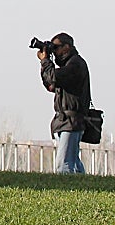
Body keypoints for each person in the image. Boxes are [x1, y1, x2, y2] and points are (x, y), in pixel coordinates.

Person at [38, 32, 91, 174]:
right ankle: (85, 188)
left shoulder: (75, 64)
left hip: (71, 121)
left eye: (56, 48)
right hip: (65, 121)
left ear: (66, 47)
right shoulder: (70, 65)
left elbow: (53, 77)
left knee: (63, 165)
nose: (54, 52)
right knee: (74, 161)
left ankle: (67, 190)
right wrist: (45, 63)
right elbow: (50, 84)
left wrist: (45, 61)